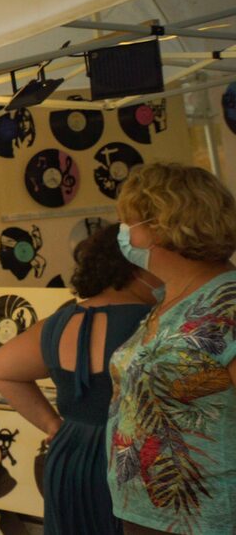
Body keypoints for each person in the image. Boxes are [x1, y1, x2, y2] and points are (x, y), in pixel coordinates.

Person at [0, 223, 154, 535]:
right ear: (135, 266)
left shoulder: (60, 322)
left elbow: (1, 367)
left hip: (69, 457)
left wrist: (53, 425)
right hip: (132, 459)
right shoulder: (154, 321)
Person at [107, 163, 236, 535]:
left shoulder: (227, 303)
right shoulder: (169, 299)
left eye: (128, 222)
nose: (124, 233)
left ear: (162, 226)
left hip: (208, 518)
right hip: (146, 512)